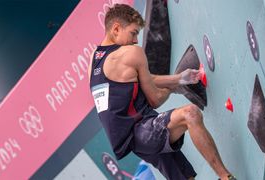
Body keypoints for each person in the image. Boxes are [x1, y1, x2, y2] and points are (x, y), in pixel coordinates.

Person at [88, 3, 236, 180]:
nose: (136, 40)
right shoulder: (131, 53)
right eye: (133, 33)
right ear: (117, 28)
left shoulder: (94, 59)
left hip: (133, 140)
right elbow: (155, 99)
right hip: (142, 131)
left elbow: (140, 80)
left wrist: (179, 78)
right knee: (190, 114)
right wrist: (175, 87)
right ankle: (225, 177)